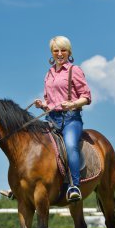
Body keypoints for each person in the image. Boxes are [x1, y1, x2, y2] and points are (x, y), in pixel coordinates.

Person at [34, 36, 91, 202]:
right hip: (52, 119)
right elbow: (51, 102)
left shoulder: (75, 70)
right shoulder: (49, 73)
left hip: (71, 119)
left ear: (69, 52)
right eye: (56, 50)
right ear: (52, 52)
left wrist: (72, 104)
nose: (59, 54)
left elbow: (86, 97)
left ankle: (75, 186)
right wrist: (42, 104)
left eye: (63, 50)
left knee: (71, 145)